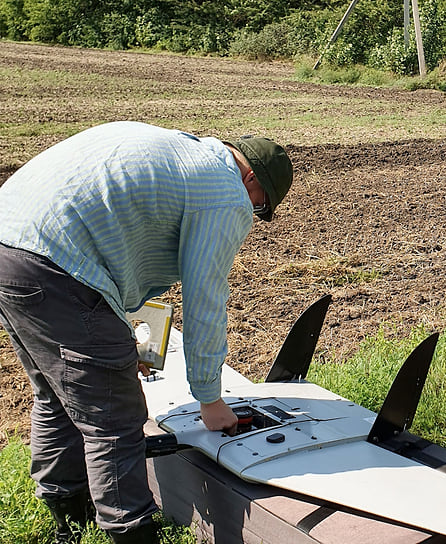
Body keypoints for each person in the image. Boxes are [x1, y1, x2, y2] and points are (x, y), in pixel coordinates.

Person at [0, 121, 293, 543]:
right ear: (251, 179)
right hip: (57, 263)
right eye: (260, 207)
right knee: (113, 417)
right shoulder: (226, 193)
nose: (254, 217)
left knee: (57, 394)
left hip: (14, 243)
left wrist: (119, 334)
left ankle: (68, 519)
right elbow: (205, 298)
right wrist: (210, 400)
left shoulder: (188, 155)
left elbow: (119, 239)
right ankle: (131, 532)